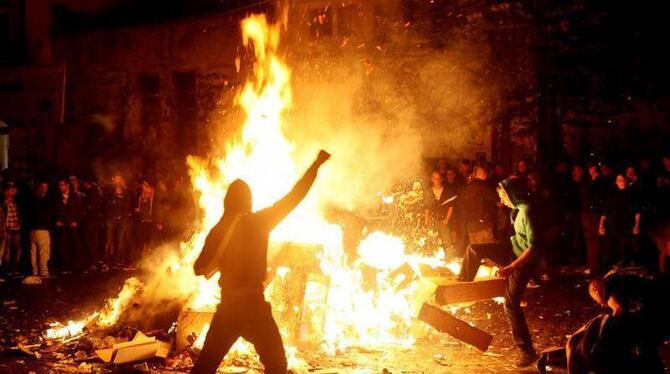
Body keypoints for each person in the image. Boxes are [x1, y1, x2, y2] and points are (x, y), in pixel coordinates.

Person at [191, 150, 330, 374]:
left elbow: (198, 268)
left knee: (204, 368)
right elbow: (294, 197)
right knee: (277, 365)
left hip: (228, 308)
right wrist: (315, 166)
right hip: (254, 307)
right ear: (248, 201)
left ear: (228, 201)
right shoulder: (259, 222)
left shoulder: (219, 230)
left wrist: (219, 257)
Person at [458, 178, 539, 367]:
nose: (500, 197)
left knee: (511, 305)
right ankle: (463, 279)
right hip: (511, 252)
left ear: (512, 193)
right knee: (475, 249)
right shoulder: (517, 210)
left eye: (503, 193)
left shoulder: (527, 211)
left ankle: (526, 351)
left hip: (523, 263)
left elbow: (533, 248)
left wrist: (511, 268)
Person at [567, 268, 668, 373]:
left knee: (644, 345)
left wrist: (608, 327)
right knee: (646, 346)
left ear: (596, 289)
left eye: (597, 300)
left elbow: (620, 309)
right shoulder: (617, 276)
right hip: (662, 292)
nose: (602, 304)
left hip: (661, 305)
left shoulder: (606, 287)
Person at [599, 174, 641, 269]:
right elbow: (605, 212)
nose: (621, 182)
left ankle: (624, 266)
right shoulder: (611, 195)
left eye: (623, 180)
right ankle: (609, 268)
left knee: (624, 247)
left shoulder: (631, 194)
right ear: (616, 182)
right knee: (610, 247)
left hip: (626, 225)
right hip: (612, 226)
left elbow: (637, 212)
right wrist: (601, 225)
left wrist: (637, 225)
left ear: (626, 181)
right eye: (619, 180)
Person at [456, 165, 498, 245]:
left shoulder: (465, 188)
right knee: (489, 251)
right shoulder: (483, 186)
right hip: (484, 225)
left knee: (476, 251)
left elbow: (460, 207)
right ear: (483, 174)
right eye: (484, 172)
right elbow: (496, 198)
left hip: (471, 226)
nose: (486, 174)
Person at [55, 178, 84, 273]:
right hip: (63, 226)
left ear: (67, 185)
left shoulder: (75, 196)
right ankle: (65, 266)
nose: (60, 187)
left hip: (72, 225)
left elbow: (80, 210)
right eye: (59, 185)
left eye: (62, 185)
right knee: (63, 246)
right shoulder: (58, 198)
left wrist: (76, 221)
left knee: (75, 245)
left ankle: (77, 265)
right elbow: (55, 211)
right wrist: (58, 220)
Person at [423, 170, 455, 253]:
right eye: (434, 178)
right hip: (432, 221)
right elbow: (426, 208)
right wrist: (426, 222)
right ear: (431, 179)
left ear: (441, 179)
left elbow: (451, 207)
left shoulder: (447, 191)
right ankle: (433, 259)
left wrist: (447, 220)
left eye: (438, 178)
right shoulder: (428, 192)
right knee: (432, 242)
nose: (436, 181)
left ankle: (449, 259)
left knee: (447, 242)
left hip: (443, 221)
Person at [105, 174, 131, 267]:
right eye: (116, 178)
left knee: (119, 241)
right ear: (113, 179)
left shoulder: (125, 190)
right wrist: (115, 196)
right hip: (111, 219)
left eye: (120, 178)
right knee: (109, 241)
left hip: (121, 220)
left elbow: (127, 204)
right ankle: (106, 262)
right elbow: (106, 205)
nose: (118, 180)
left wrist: (122, 214)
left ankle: (116, 261)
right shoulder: (109, 190)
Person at [29, 181, 54, 278]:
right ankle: (44, 271)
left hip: (32, 231)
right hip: (43, 230)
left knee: (33, 253)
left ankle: (34, 271)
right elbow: (49, 215)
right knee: (43, 252)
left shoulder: (31, 202)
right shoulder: (45, 202)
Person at [1, 182, 22, 275]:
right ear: (6, 192)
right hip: (7, 228)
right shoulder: (3, 203)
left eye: (13, 191)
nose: (13, 192)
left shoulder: (16, 202)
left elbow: (19, 214)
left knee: (17, 249)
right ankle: (7, 269)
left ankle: (15, 268)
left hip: (16, 227)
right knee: (7, 249)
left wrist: (20, 223)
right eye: (11, 191)